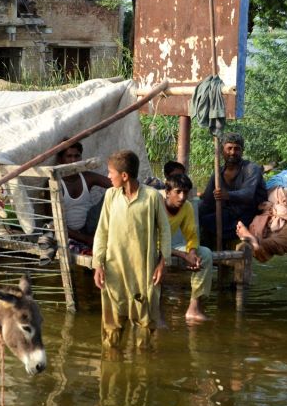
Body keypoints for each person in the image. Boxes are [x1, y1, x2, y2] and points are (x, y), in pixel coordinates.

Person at [93, 150, 170, 348]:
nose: (109, 176)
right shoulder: (111, 195)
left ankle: (142, 371)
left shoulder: (152, 197)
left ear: (124, 175)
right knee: (112, 323)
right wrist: (98, 264)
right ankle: (112, 367)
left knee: (144, 322)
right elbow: (102, 231)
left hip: (142, 271)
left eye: (111, 172)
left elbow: (165, 231)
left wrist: (163, 262)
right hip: (114, 269)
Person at [198, 132, 267, 249]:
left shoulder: (251, 168)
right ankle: (207, 256)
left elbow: (248, 194)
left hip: (247, 214)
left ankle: (216, 255)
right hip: (228, 213)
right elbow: (208, 200)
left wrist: (227, 195)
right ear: (222, 150)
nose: (233, 153)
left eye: (237, 149)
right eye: (229, 148)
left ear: (242, 151)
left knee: (207, 221)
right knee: (200, 216)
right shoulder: (218, 172)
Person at [163, 174, 214, 321]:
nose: (182, 196)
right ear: (167, 192)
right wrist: (184, 256)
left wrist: (191, 253)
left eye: (185, 192)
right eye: (178, 192)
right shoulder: (157, 205)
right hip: (150, 246)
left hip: (170, 246)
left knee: (205, 254)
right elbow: (155, 242)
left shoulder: (187, 207)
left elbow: (191, 234)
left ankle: (194, 308)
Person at [54, 142, 112, 250]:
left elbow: (115, 184)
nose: (73, 160)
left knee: (113, 193)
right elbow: (53, 223)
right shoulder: (55, 184)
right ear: (60, 159)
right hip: (68, 233)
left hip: (89, 226)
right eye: (69, 156)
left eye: (77, 156)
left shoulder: (87, 177)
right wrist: (87, 239)